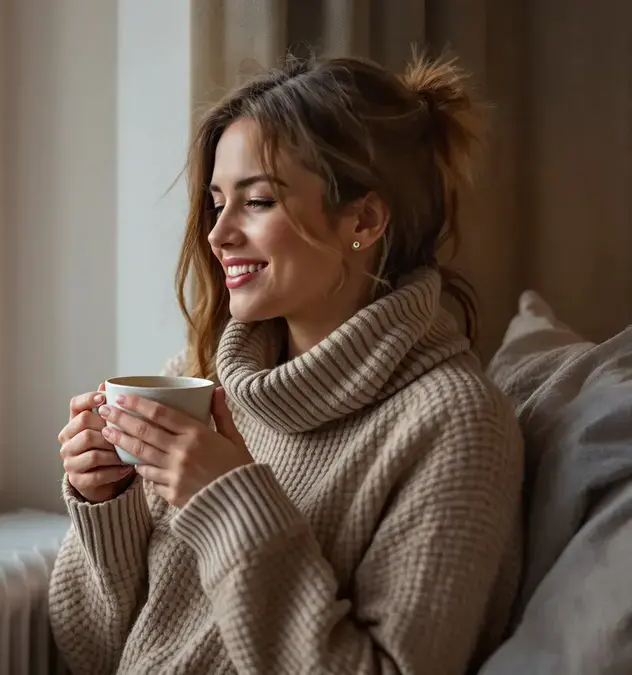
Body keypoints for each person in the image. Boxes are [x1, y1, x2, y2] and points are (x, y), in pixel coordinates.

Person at [49, 52, 525, 675]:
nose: (217, 235)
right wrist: (106, 504)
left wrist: (229, 502)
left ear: (364, 218)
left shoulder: (455, 425)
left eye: (258, 201)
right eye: (217, 202)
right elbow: (94, 655)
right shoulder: (201, 382)